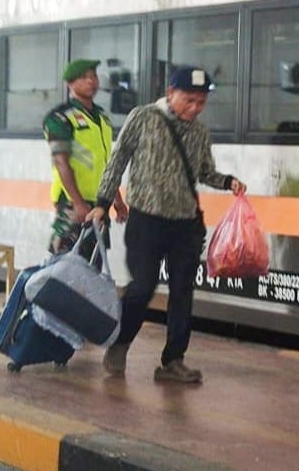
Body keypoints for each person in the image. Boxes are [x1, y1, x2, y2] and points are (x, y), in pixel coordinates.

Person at [88, 66, 246, 384]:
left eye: (201, 102)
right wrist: (103, 202)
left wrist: (227, 181)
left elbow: (204, 171)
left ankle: (173, 360)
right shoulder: (143, 117)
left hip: (185, 224)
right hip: (146, 221)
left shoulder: (199, 132)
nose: (195, 108)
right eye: (189, 100)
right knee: (142, 287)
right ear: (171, 93)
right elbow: (117, 160)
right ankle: (120, 343)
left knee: (182, 292)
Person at [43, 59, 128, 258]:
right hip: (72, 203)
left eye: (93, 76)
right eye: (83, 77)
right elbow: (61, 162)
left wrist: (117, 200)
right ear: (70, 84)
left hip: (100, 204)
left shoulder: (102, 118)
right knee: (65, 263)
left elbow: (107, 164)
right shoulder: (60, 118)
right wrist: (78, 202)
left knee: (94, 264)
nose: (91, 81)